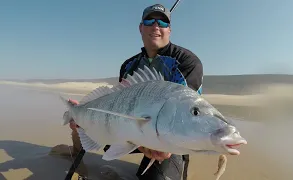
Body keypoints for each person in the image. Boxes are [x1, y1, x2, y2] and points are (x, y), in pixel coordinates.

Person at [66, 3, 203, 180]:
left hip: (170, 139)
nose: (156, 26)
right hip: (136, 132)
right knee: (104, 139)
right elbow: (117, 103)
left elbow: (186, 112)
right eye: (149, 21)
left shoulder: (187, 61)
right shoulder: (129, 65)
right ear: (140, 27)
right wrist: (87, 115)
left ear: (169, 30)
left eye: (162, 23)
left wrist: (161, 146)